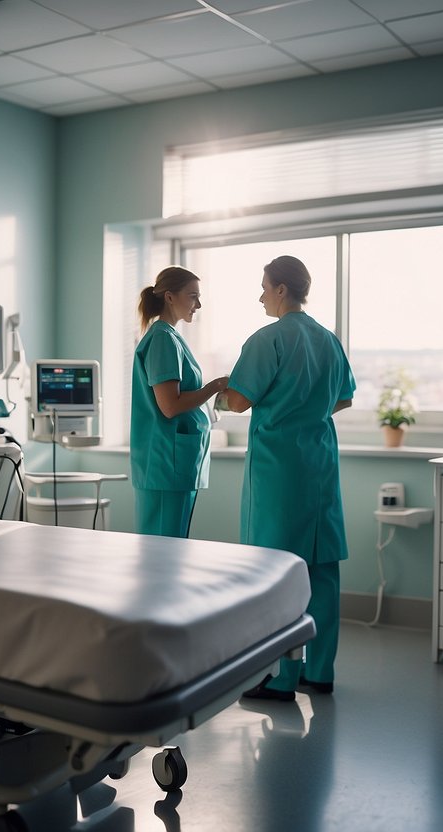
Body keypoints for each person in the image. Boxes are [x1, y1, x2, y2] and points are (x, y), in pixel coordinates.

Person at [223, 255, 356, 701]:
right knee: (322, 570)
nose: (261, 295)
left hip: (280, 473)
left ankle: (280, 678)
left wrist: (217, 392)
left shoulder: (268, 340)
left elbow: (239, 402)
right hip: (319, 466)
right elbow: (343, 400)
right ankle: (320, 672)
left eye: (264, 286)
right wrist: (306, 413)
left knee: (275, 574)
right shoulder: (329, 340)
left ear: (282, 289)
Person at [131, 266, 229, 537]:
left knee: (171, 548)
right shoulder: (162, 339)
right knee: (163, 552)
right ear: (170, 297)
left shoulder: (170, 337)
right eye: (193, 296)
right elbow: (170, 406)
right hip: (166, 462)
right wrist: (215, 386)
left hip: (173, 463)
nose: (198, 304)